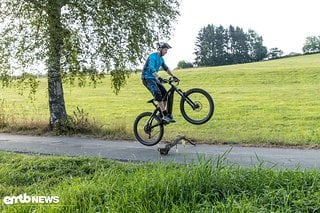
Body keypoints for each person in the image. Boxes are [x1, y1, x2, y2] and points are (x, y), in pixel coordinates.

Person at [141, 42, 177, 123]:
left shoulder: (161, 59)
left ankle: (160, 115)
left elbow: (166, 68)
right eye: (165, 50)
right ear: (160, 49)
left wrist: (173, 76)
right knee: (158, 93)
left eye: (167, 50)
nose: (166, 52)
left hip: (154, 79)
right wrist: (158, 77)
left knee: (165, 94)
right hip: (147, 78)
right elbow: (151, 69)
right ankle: (165, 115)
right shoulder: (152, 57)